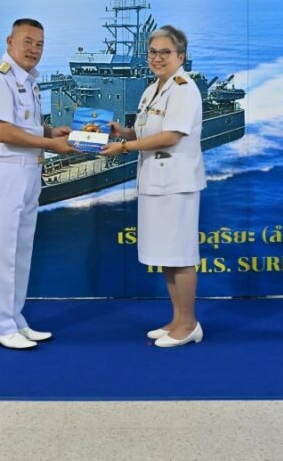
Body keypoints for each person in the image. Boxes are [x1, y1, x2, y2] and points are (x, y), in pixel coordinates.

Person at [0, 18, 76, 350]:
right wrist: (52, 144)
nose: (34, 50)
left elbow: (26, 125)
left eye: (39, 44)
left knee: (20, 253)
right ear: (10, 42)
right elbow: (4, 132)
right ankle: (0, 327)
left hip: (28, 172)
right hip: (3, 174)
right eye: (28, 42)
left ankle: (15, 319)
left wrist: (51, 132)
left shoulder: (28, 81)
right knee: (1, 254)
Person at [102, 25, 206, 348]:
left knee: (181, 255)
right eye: (153, 52)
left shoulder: (184, 89)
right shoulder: (151, 90)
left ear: (181, 56)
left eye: (165, 52)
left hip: (176, 183)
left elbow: (171, 136)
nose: (157, 58)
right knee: (167, 254)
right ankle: (177, 319)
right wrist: (122, 132)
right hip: (155, 181)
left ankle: (189, 324)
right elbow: (145, 131)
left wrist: (123, 148)